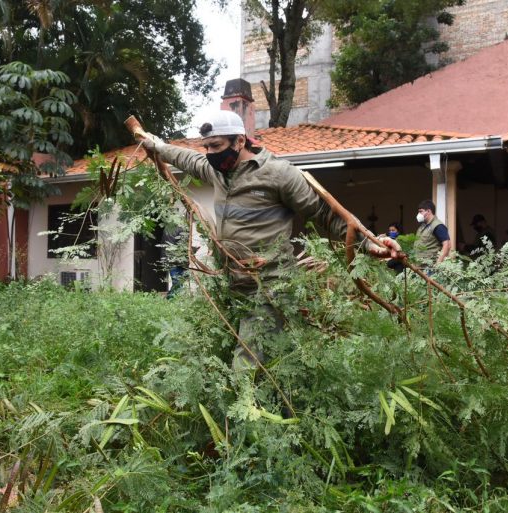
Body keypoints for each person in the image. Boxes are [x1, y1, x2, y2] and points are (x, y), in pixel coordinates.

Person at [139, 110, 400, 370]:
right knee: (270, 363)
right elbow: (186, 158)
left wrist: (369, 242)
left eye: (216, 146)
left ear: (240, 141)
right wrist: (156, 145)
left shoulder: (278, 173)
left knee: (245, 368)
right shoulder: (217, 171)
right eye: (206, 147)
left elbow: (326, 214)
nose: (210, 153)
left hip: (269, 288)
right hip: (234, 285)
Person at [413, 200, 451, 267]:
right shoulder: (422, 226)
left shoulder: (438, 226)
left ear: (428, 211)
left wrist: (438, 264)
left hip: (430, 267)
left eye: (421, 211)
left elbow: (447, 245)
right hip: (420, 266)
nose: (419, 214)